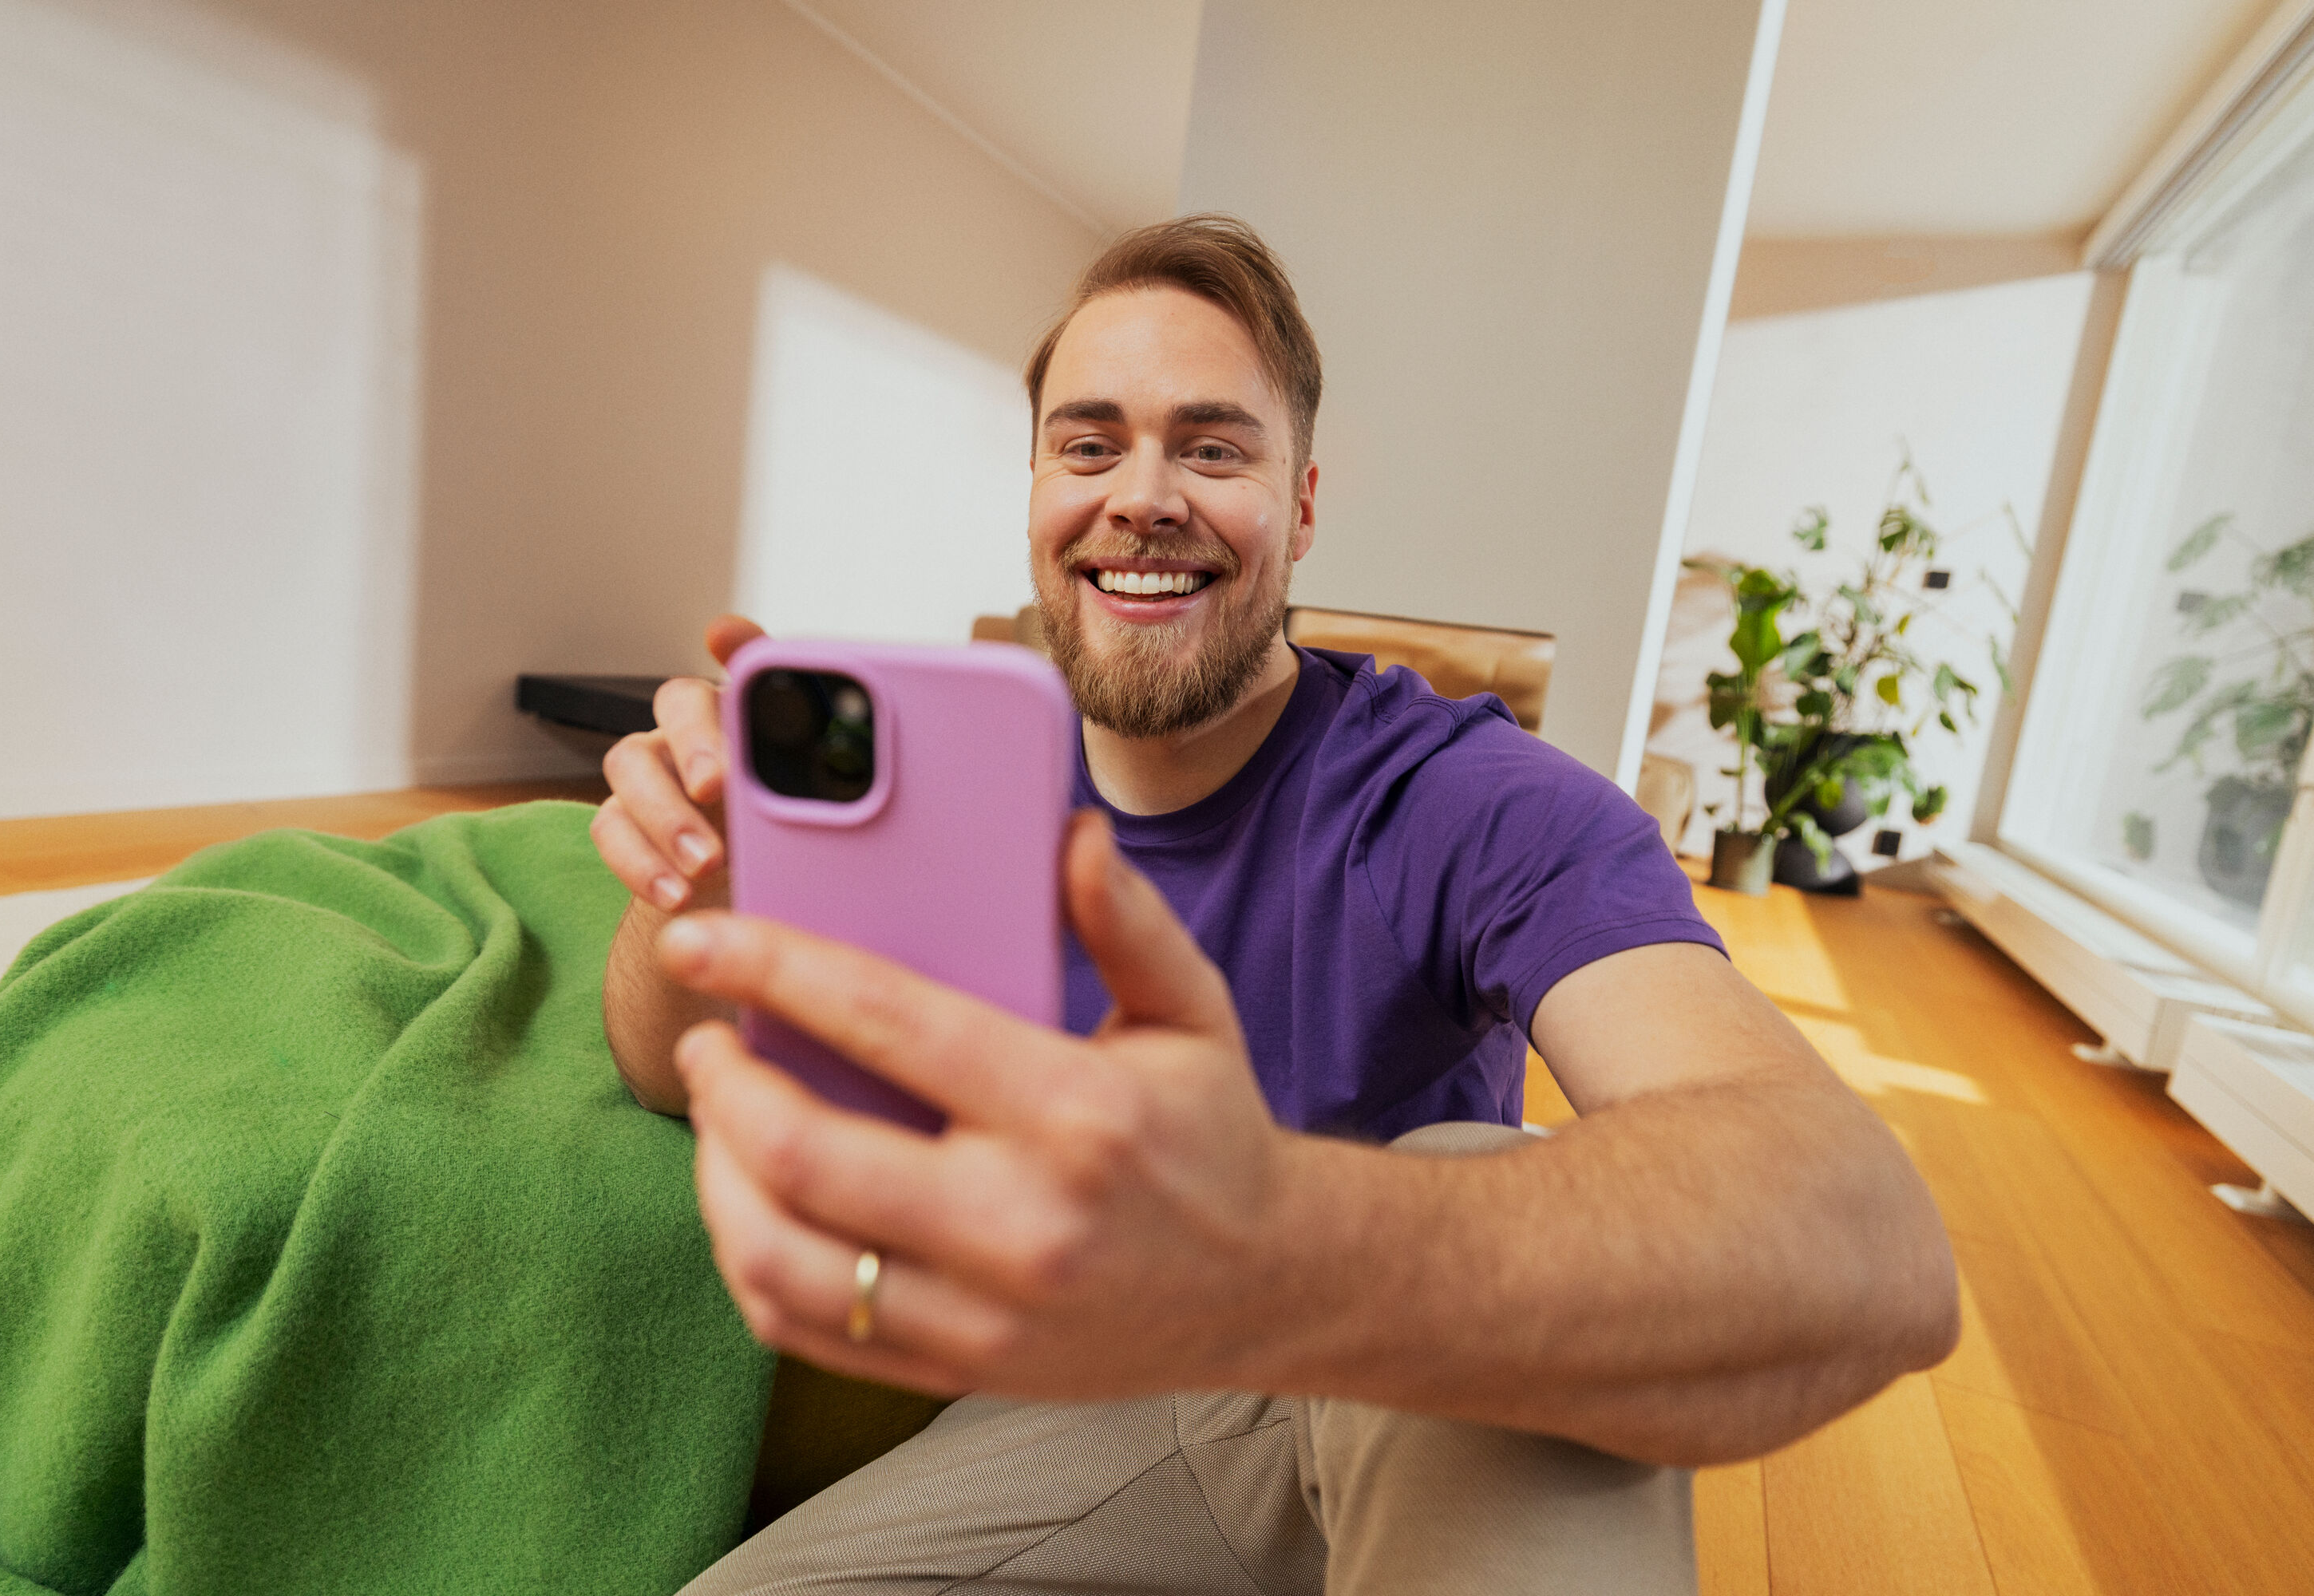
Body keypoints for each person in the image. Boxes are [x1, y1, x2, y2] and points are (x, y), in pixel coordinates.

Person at [591, 215, 1960, 1594]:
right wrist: (688, 898)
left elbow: (1863, 1238)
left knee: (1469, 1170)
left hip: (1391, 1360)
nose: (1142, 494)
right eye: (1089, 444)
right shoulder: (948, 791)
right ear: (1034, 495)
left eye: (1211, 446)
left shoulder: (1467, 798)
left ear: (1300, 507)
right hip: (1076, 1403)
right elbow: (662, 1069)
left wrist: (1269, 1240)